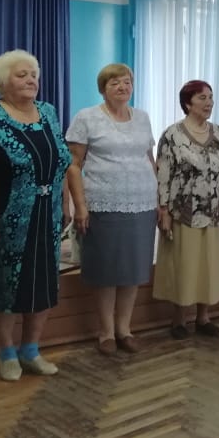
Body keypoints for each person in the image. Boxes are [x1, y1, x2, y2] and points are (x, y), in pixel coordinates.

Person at [0, 50, 88, 382]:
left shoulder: (48, 112)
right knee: (5, 285)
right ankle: (6, 352)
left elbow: (62, 161)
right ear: (2, 82)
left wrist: (67, 202)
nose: (31, 79)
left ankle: (31, 350)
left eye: (34, 74)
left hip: (47, 215)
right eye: (22, 75)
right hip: (6, 216)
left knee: (43, 284)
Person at [65, 64, 156, 355]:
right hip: (103, 204)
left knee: (133, 270)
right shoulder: (87, 117)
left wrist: (159, 198)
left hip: (142, 204)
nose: (122, 87)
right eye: (114, 82)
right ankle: (105, 332)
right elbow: (73, 165)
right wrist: (79, 206)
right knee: (106, 270)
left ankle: (124, 329)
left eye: (127, 82)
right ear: (103, 89)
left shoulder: (142, 117)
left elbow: (149, 158)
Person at [155, 80, 219, 338]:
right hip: (183, 212)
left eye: (210, 97)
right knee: (184, 265)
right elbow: (163, 175)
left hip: (213, 211)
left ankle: (203, 317)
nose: (209, 102)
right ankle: (179, 319)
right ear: (187, 103)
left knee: (208, 265)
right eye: (202, 98)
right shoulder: (172, 135)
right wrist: (163, 210)